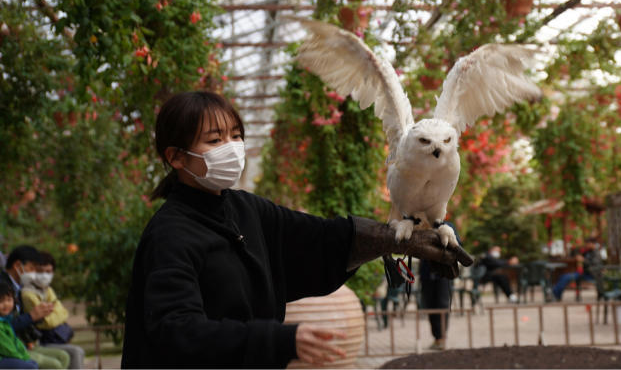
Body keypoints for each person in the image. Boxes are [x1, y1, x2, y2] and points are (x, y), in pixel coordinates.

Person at [121, 91, 472, 369]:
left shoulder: (246, 209)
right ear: (176, 157)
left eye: (236, 135)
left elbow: (317, 239)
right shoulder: (170, 235)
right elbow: (176, 332)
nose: (231, 148)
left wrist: (398, 240)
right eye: (215, 141)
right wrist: (281, 340)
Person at [0, 247, 69, 369]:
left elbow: (62, 312)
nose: (35, 274)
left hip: (22, 344)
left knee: (64, 356)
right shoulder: (4, 286)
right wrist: (31, 316)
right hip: (11, 349)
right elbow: (6, 325)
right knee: (51, 365)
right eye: (32, 268)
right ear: (17, 265)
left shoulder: (20, 287)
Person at [20, 252, 84, 370]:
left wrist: (55, 314)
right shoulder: (28, 293)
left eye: (48, 272)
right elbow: (46, 322)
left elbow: (64, 313)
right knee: (75, 352)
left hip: (54, 338)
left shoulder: (47, 290)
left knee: (74, 352)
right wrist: (56, 313)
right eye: (40, 271)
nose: (44, 275)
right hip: (41, 341)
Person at [419, 222, 460, 351]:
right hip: (427, 275)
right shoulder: (422, 226)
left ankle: (441, 338)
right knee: (430, 305)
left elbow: (457, 245)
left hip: (443, 274)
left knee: (442, 305)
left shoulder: (448, 226)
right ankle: (437, 338)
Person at [0, 279, 38, 369]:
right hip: (3, 358)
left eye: (9, 300)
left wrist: (25, 357)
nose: (6, 304)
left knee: (33, 364)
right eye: (1, 301)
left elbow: (16, 342)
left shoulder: (5, 321)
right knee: (30, 367)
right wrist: (22, 359)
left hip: (8, 357)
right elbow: (7, 348)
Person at [551, 237, 603, 301]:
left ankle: (554, 294)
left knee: (566, 277)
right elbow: (577, 254)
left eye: (587, 244)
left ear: (592, 244)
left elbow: (595, 264)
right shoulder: (588, 252)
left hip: (590, 274)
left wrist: (583, 260)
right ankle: (556, 294)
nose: (586, 245)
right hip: (583, 273)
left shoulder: (596, 253)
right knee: (563, 276)